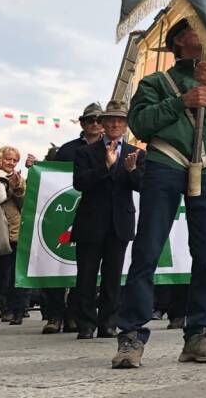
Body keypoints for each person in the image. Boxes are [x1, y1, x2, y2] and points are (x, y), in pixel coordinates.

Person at [113, 17, 206, 369]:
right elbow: (140, 124)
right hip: (165, 164)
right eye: (193, 30)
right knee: (147, 249)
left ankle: (199, 332)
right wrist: (182, 101)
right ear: (177, 41)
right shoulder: (156, 82)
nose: (203, 33)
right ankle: (131, 334)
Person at [70, 100, 145, 339]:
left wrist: (132, 170)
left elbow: (142, 186)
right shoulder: (85, 152)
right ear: (102, 123)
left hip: (119, 223)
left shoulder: (136, 153)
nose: (115, 123)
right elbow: (80, 183)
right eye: (111, 119)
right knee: (86, 275)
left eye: (120, 120)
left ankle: (108, 323)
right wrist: (105, 166)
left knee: (113, 277)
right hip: (91, 221)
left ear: (125, 125)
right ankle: (86, 324)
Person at [41, 101, 105, 335]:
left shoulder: (113, 148)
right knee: (56, 262)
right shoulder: (67, 150)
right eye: (91, 120)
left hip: (96, 213)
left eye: (100, 120)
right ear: (82, 123)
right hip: (63, 209)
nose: (96, 124)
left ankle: (74, 314)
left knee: (87, 269)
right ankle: (54, 314)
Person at [0, 146, 26, 330]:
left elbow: (24, 204)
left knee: (1, 276)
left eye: (14, 160)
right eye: (8, 159)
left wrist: (18, 188)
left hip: (11, 233)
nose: (11, 163)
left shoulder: (18, 179)